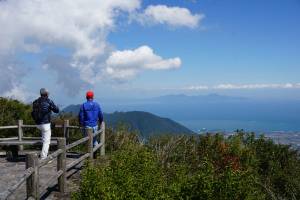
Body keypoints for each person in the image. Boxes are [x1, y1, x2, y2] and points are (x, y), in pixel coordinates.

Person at [31, 88, 59, 160]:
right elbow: (56, 110)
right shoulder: (49, 101)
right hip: (45, 124)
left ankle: (43, 154)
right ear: (47, 94)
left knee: (44, 139)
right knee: (46, 141)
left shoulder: (35, 102)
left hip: (37, 123)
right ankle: (44, 158)